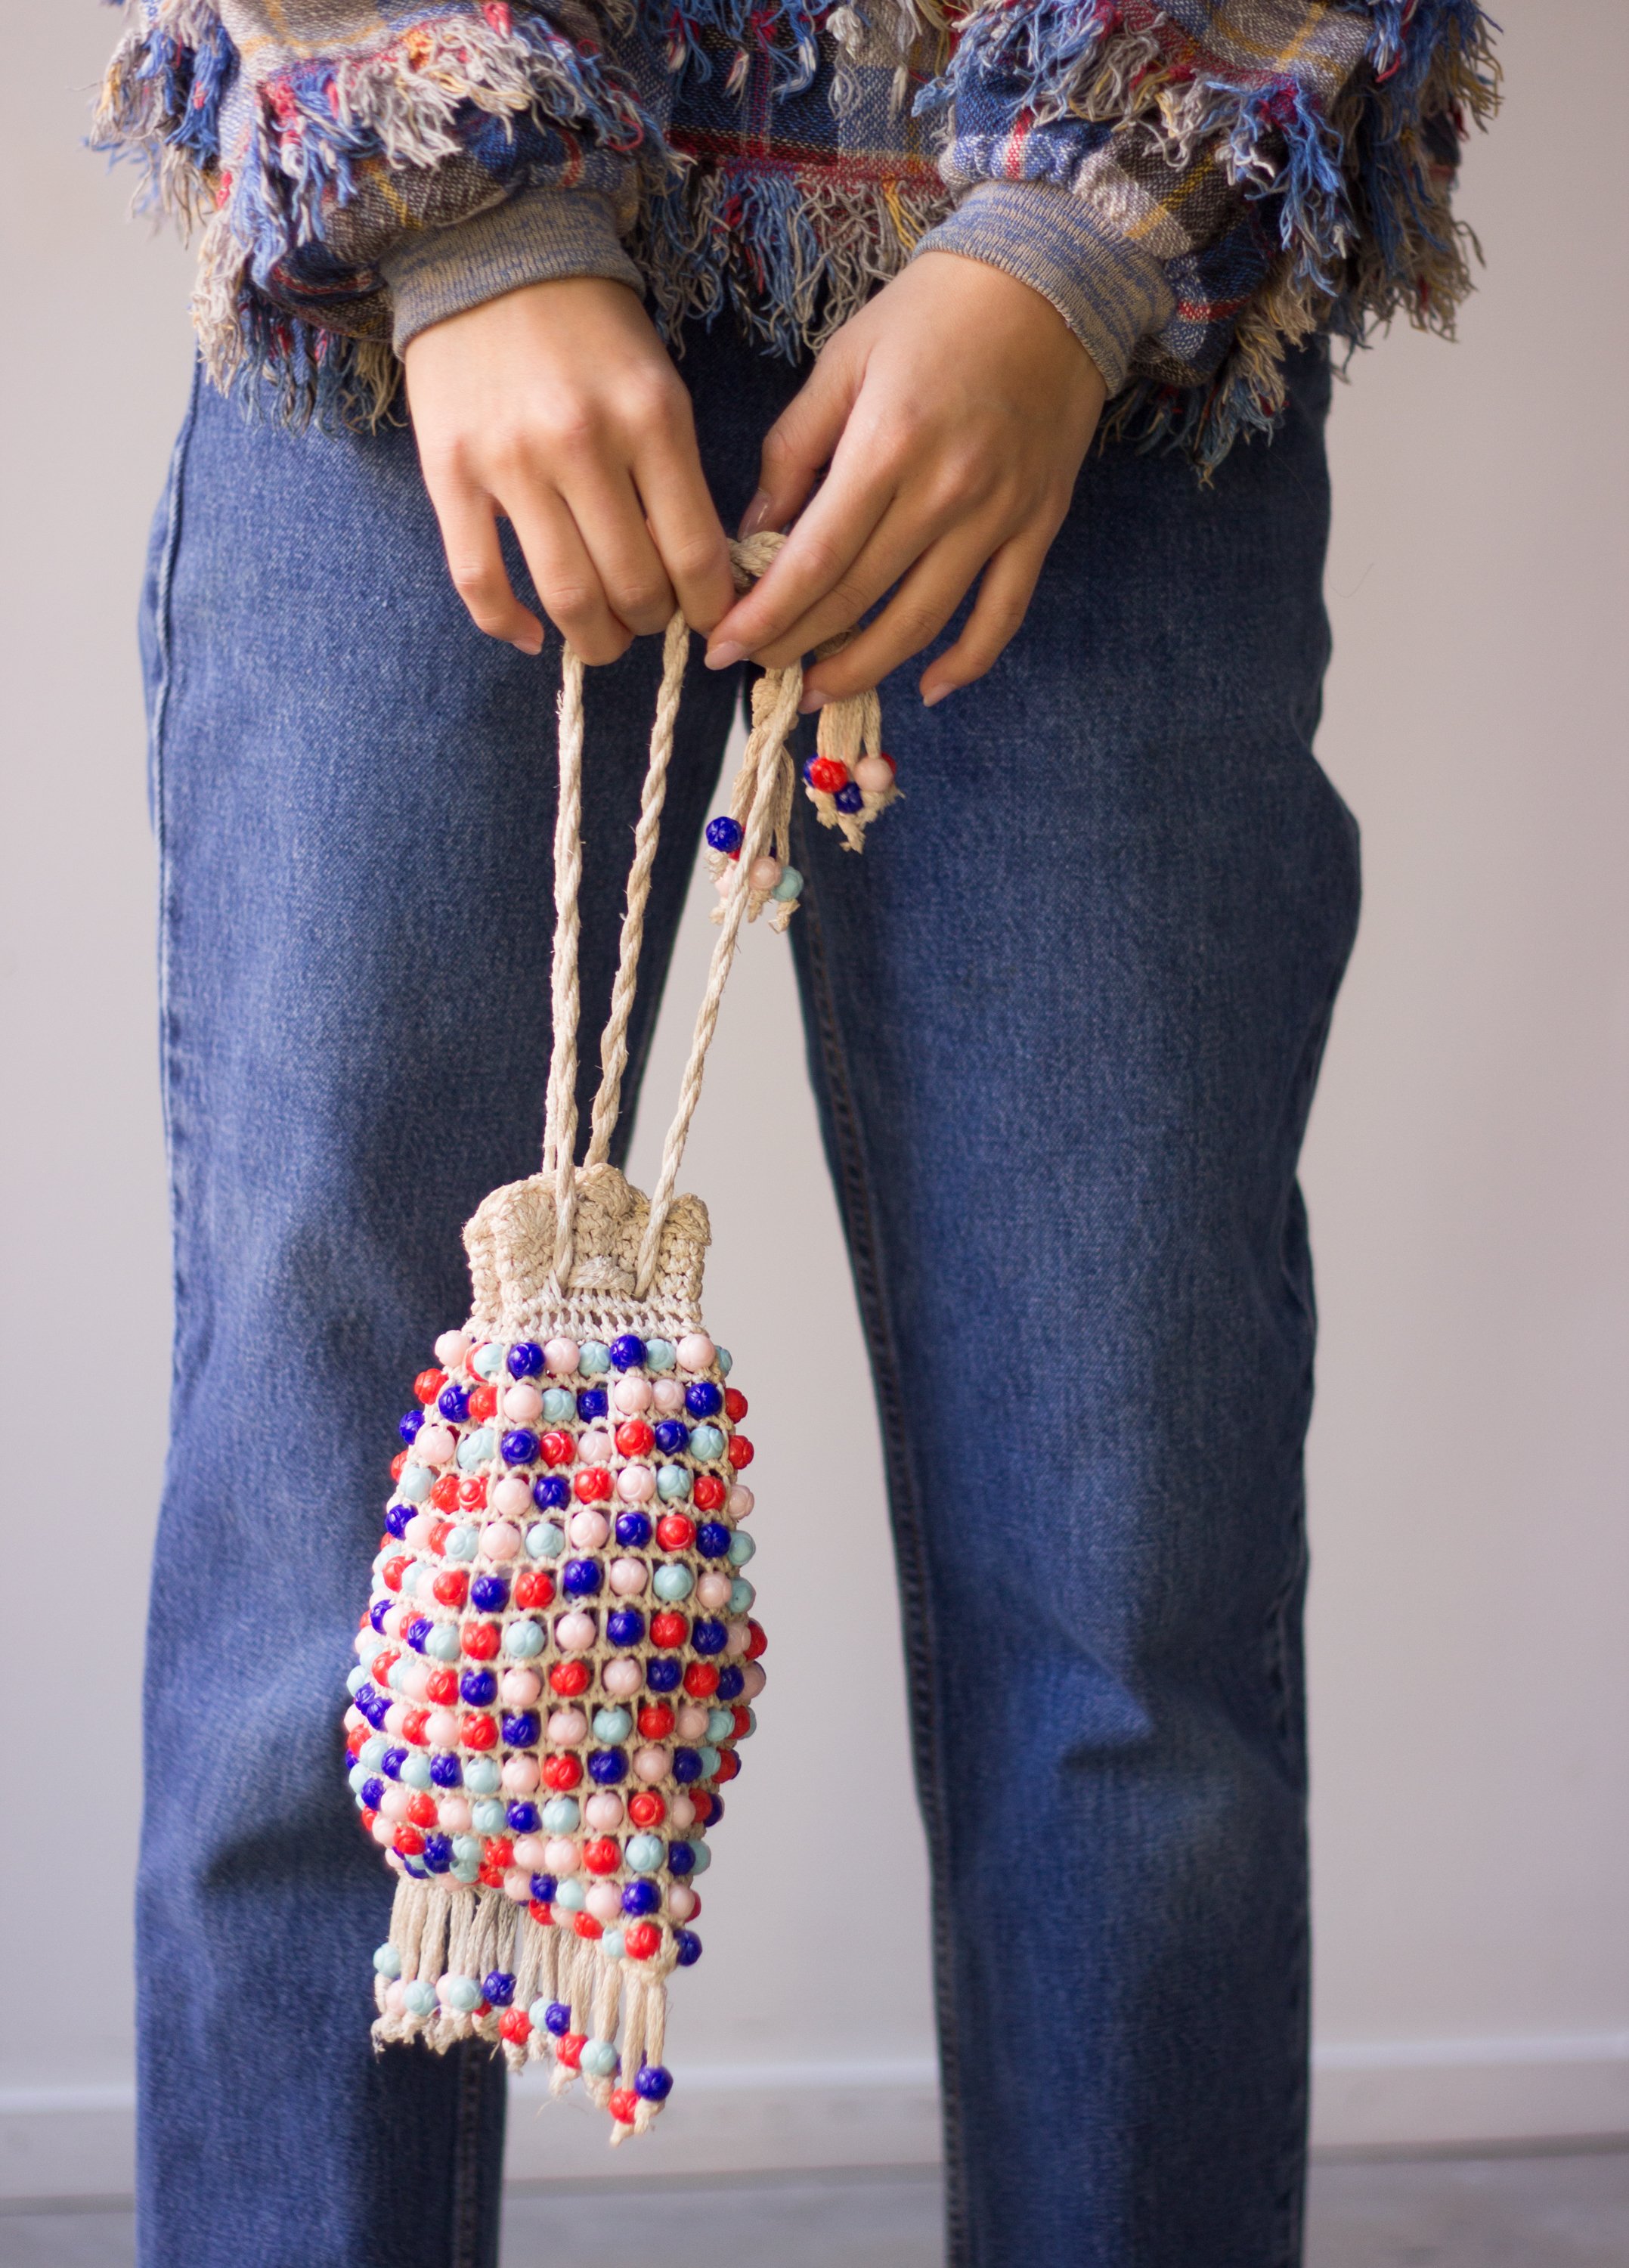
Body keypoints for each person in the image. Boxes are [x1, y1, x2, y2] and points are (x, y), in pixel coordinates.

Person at [95, 3, 1497, 2263]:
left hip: (1091, 365)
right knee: (330, 1615)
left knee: (1126, 1618)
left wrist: (1085, 229)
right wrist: (448, 193)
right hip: (407, 318)